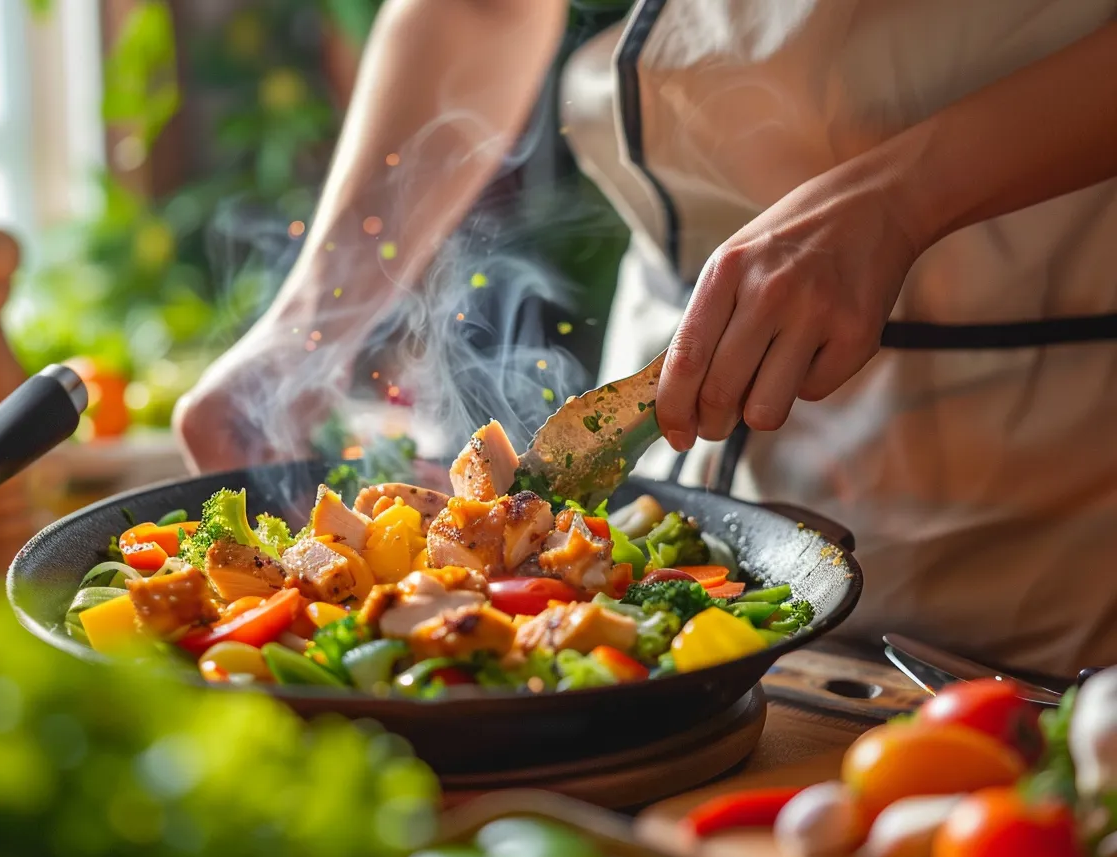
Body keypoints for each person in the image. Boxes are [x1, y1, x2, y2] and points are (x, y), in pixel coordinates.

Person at [175, 0, 1117, 677]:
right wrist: (311, 326)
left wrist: (901, 196)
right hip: (671, 396)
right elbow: (478, 12)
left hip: (1027, 451)